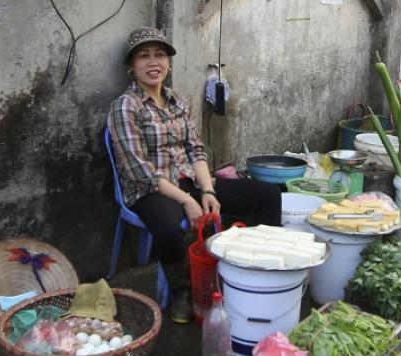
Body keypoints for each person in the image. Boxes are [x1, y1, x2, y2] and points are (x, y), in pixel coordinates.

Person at [107, 27, 282, 324]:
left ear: (168, 63)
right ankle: (182, 290)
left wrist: (208, 191)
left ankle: (257, 271)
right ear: (131, 67)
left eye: (159, 55)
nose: (153, 62)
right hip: (149, 189)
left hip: (188, 181)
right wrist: (188, 200)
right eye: (143, 56)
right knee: (169, 227)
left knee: (268, 195)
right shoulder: (126, 106)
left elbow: (196, 151)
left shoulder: (177, 101)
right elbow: (139, 170)